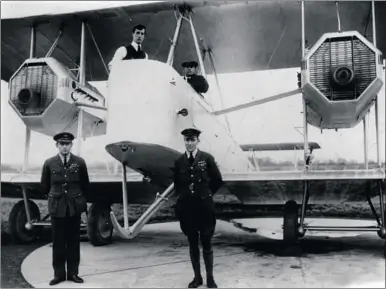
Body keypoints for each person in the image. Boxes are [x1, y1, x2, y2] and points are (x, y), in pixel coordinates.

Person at [173, 128, 223, 288]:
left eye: (192, 140)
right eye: (187, 140)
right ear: (184, 141)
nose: (189, 143)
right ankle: (197, 278)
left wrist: (206, 194)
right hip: (188, 209)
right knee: (192, 243)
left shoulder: (207, 158)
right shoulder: (179, 161)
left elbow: (217, 180)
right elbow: (177, 185)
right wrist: (185, 197)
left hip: (204, 207)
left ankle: (210, 278)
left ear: (197, 141)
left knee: (206, 241)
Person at [40, 132, 90, 286]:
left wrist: (79, 200)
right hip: (57, 207)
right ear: (57, 145)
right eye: (61, 144)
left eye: (67, 144)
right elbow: (45, 186)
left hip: (74, 208)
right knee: (58, 242)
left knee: (74, 241)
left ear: (71, 145)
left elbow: (85, 184)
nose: (64, 147)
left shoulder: (80, 162)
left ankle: (73, 273)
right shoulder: (49, 163)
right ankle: (59, 275)